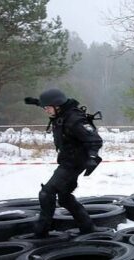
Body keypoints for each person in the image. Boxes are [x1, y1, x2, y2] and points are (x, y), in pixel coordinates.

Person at [25, 88, 103, 237]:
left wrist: (92, 158)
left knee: (46, 193)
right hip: (68, 160)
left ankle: (41, 232)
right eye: (45, 108)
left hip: (74, 163)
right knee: (64, 197)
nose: (46, 110)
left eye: (47, 107)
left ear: (58, 106)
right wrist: (37, 102)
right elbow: (51, 104)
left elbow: (95, 139)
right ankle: (87, 227)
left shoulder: (74, 119)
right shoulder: (61, 112)